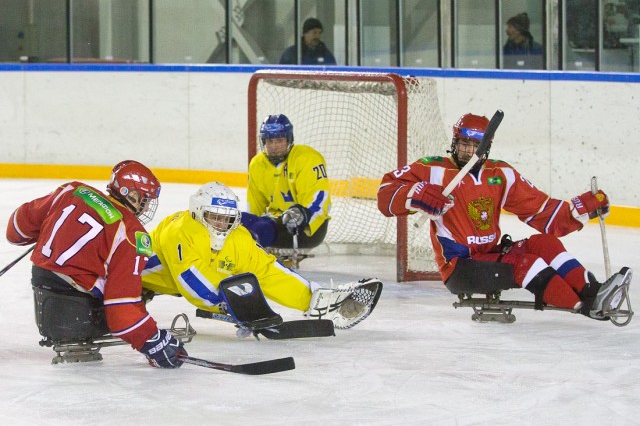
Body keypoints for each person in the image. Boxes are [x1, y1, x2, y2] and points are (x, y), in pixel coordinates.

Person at [377, 112, 631, 322]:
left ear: (486, 147)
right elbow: (385, 194)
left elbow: (542, 212)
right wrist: (414, 193)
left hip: (491, 254)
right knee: (528, 263)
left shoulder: (501, 173)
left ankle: (594, 292)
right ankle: (586, 308)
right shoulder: (431, 169)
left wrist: (581, 208)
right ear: (454, 142)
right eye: (464, 144)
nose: (469, 151)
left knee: (544, 244)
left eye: (477, 145)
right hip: (460, 267)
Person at [5, 160, 187, 368]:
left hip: (42, 284)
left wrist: (49, 228)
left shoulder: (73, 190)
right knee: (136, 287)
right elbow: (122, 311)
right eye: (145, 199)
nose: (146, 206)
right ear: (132, 195)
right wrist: (152, 341)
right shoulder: (131, 233)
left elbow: (15, 230)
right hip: (78, 307)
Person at [141, 182, 380, 330]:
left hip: (169, 282)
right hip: (133, 278)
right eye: (215, 217)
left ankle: (319, 303)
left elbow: (268, 271)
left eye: (227, 218)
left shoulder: (237, 237)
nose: (222, 224)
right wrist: (228, 303)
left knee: (261, 268)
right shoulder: (181, 230)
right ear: (197, 213)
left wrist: (312, 295)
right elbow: (191, 280)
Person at [240, 114, 331, 254]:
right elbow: (254, 207)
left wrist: (304, 216)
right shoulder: (257, 164)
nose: (274, 146)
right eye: (269, 141)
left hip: (307, 226)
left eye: (279, 140)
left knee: (260, 230)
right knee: (242, 222)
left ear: (289, 139)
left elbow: (319, 199)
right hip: (274, 222)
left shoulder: (307, 158)